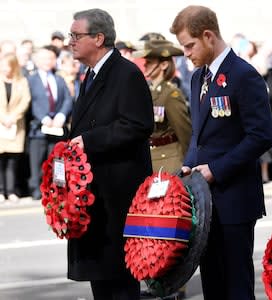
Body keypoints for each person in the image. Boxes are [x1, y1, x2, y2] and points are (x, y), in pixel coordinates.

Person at [170, 5, 272, 300]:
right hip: (203, 202)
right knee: (212, 285)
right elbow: (199, 137)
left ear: (208, 36)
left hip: (234, 198)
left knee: (236, 286)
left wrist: (216, 169)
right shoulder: (197, 77)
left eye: (190, 45)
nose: (186, 53)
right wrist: (188, 170)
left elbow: (261, 136)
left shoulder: (244, 75)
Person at [67, 8, 154, 300]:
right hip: (95, 195)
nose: (71, 41)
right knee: (101, 282)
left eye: (76, 35)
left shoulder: (126, 73)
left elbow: (138, 125)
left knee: (119, 284)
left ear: (99, 38)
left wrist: (88, 140)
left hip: (117, 197)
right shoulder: (91, 75)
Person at [132, 36, 192, 175]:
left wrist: (189, 164)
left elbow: (184, 132)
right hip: (150, 158)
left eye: (149, 62)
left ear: (163, 65)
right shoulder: (147, 90)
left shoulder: (171, 94)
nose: (145, 65)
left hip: (169, 160)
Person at [27, 46, 73, 200]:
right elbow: (31, 101)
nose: (48, 61)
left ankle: (57, 189)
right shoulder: (30, 80)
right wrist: (43, 118)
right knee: (37, 160)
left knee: (57, 160)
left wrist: (61, 115)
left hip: (57, 128)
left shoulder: (59, 79)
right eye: (44, 58)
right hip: (39, 128)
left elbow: (67, 99)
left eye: (51, 58)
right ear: (37, 60)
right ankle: (36, 188)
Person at [0, 53, 31, 203]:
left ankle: (11, 191)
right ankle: (0, 191)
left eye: (7, 65)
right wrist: (3, 118)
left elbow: (25, 100)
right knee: (0, 161)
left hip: (15, 126)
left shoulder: (22, 81)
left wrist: (13, 117)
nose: (4, 68)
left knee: (12, 160)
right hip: (1, 124)